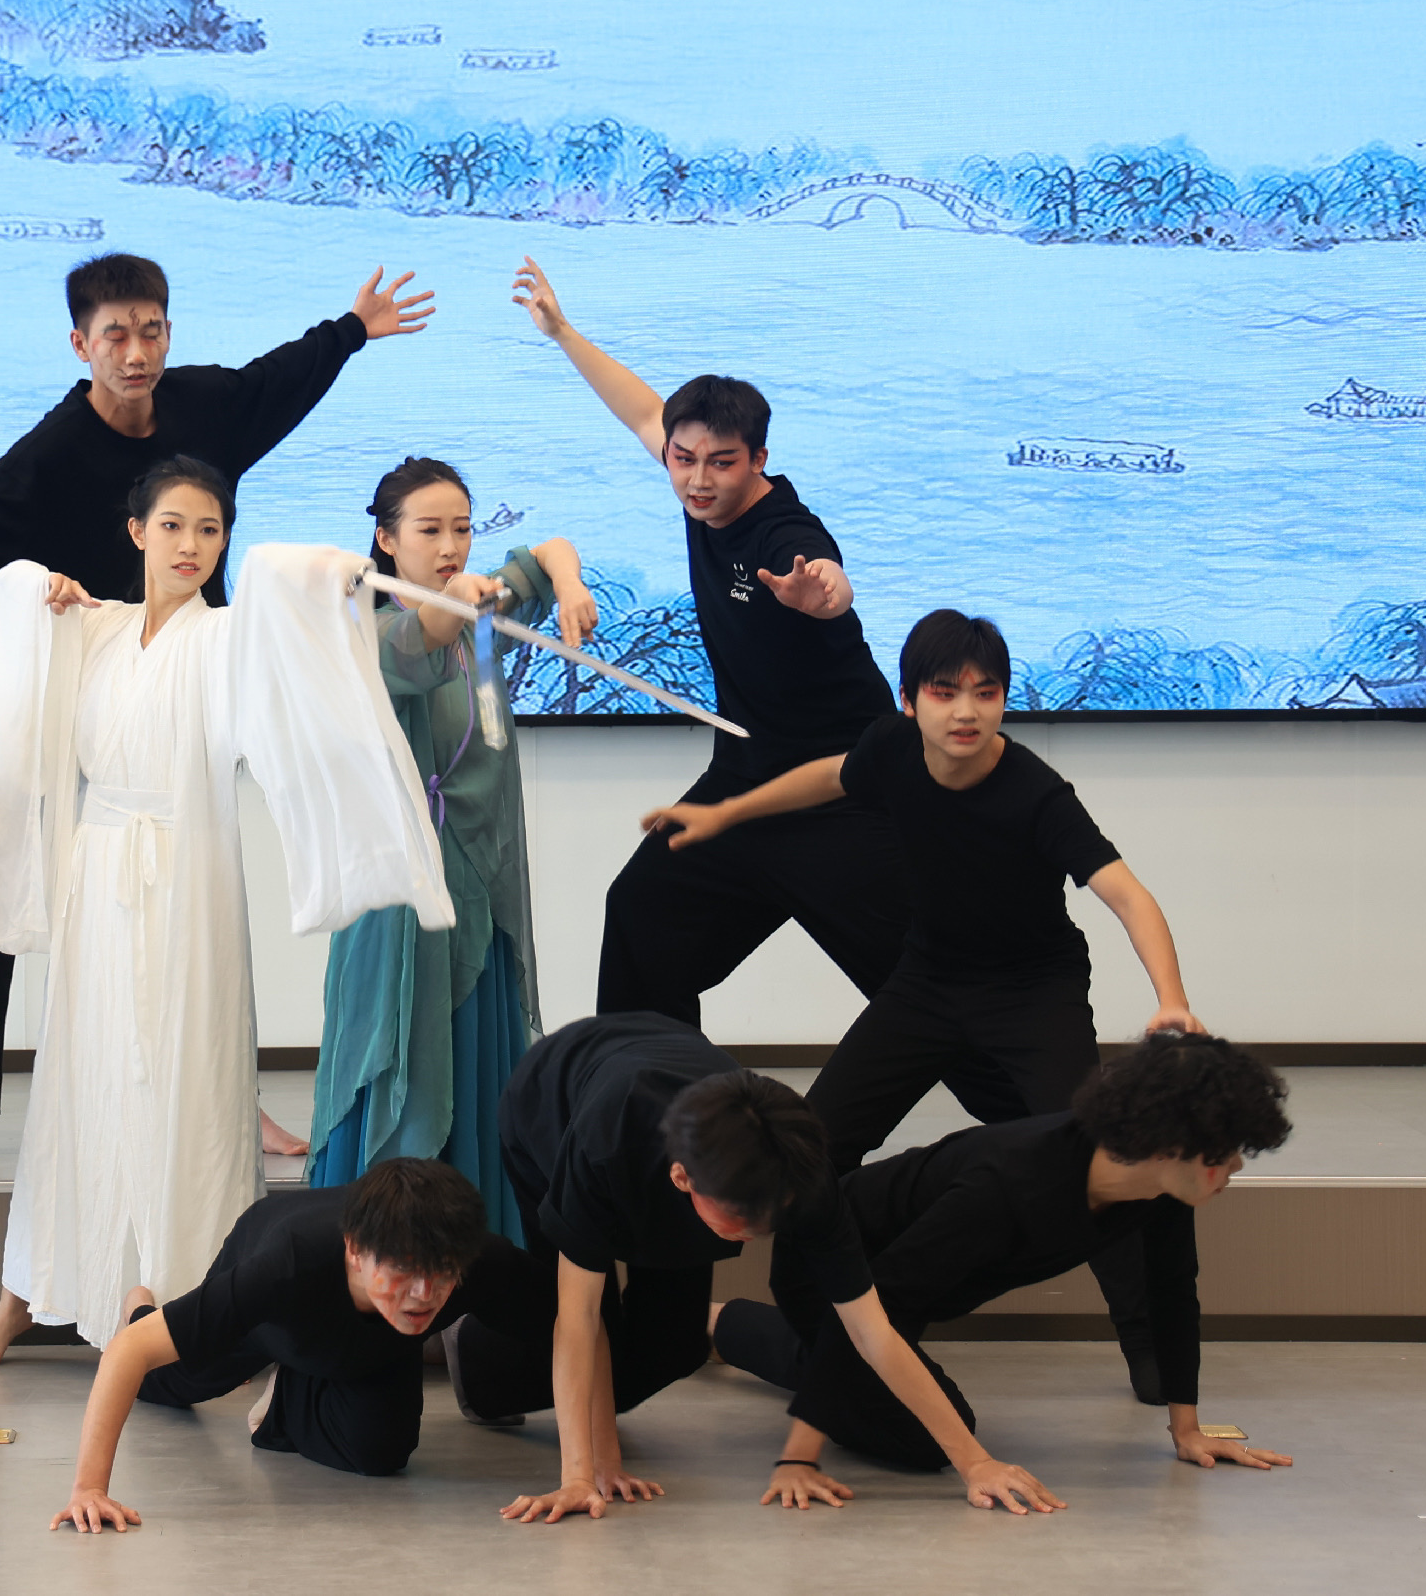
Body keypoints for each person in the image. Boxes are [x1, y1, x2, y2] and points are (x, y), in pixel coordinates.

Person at [0, 253, 437, 1171]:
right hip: (68, 680)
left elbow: (279, 383)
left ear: (168, 332)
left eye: (151, 331)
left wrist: (351, 330)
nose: (136, 352)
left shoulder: (204, 408)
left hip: (178, 681)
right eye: (115, 335)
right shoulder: (51, 456)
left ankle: (231, 1101)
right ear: (81, 345)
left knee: (198, 888)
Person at [0, 459, 455, 1367]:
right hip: (99, 870)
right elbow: (17, 623)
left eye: (211, 530)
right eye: (173, 526)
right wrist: (37, 598)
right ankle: (28, 1289)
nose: (191, 546)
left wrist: (322, 581)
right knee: (80, 1076)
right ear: (136, 532)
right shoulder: (92, 628)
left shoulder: (228, 639)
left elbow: (293, 634)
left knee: (187, 1076)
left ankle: (195, 1298)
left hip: (191, 875)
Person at [642, 609, 1203, 1399]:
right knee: (814, 1140)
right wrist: (726, 813)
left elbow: (1128, 895)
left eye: (985, 692)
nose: (966, 711)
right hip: (928, 983)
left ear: (1004, 699)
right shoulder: (892, 749)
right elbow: (829, 776)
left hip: (1032, 993)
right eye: (945, 692)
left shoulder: (1037, 794)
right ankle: (815, 1320)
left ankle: (1151, 1356)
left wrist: (1171, 1000)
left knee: (1097, 1154)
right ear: (909, 702)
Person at [447, 1013, 1064, 1522]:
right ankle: (468, 1350)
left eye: (765, 1221)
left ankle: (634, 1382)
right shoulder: (603, 1147)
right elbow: (580, 1320)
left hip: (667, 1086)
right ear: (682, 1179)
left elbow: (872, 1330)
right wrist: (586, 1473)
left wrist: (975, 1462)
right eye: (737, 1219)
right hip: (551, 1103)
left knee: (673, 1348)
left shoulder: (798, 1172)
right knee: (595, 1315)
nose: (751, 1235)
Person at [509, 258, 910, 1031]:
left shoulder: (784, 533)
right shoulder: (693, 478)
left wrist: (821, 592)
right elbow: (640, 410)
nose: (698, 481)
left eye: (722, 463)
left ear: (757, 460)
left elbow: (829, 578)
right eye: (683, 459)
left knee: (924, 985)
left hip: (844, 790)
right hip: (744, 779)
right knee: (641, 918)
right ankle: (651, 1100)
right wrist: (562, 333)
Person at [710, 1031, 1297, 1495]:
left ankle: (784, 1350)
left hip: (898, 1295)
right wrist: (798, 1458)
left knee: (878, 1382)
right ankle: (718, 1324)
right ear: (1165, 1146)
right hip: (830, 1277)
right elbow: (874, 1316)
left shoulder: (1159, 1188)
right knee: (923, 1440)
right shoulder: (1010, 1184)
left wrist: (1186, 1428)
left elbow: (1171, 1289)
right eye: (1223, 1155)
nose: (1235, 1168)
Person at [306, 458, 598, 1242]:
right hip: (400, 891)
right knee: (400, 1064)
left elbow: (552, 550)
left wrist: (567, 585)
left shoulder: (472, 601)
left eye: (462, 530)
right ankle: (387, 1249)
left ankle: (474, 1257)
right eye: (429, 530)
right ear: (385, 538)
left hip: (479, 879)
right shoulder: (367, 628)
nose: (449, 546)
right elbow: (421, 638)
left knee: (479, 1065)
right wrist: (460, 598)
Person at [50, 1158, 554, 1531]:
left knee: (380, 1454)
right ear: (355, 1251)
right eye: (403, 1271)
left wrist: (584, 1473)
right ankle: (140, 1307)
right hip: (274, 1313)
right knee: (167, 1384)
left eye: (442, 1273)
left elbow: (575, 1326)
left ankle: (289, 1397)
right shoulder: (283, 1265)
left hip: (367, 1338)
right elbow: (129, 1352)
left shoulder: (477, 1258)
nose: (424, 1294)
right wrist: (89, 1489)